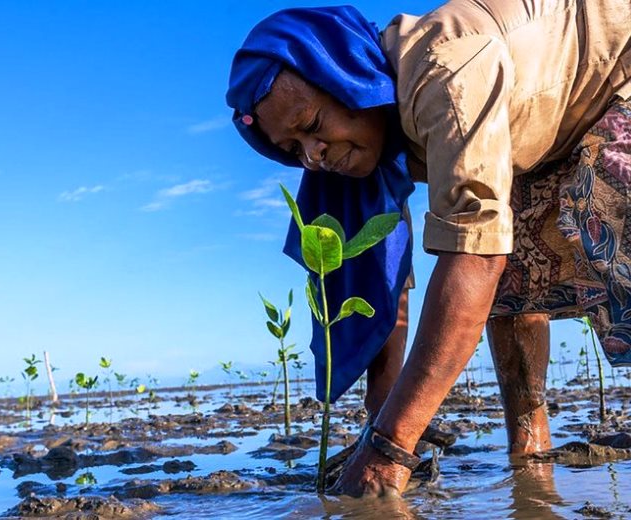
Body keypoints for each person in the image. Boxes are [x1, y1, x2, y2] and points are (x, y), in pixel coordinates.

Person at [226, 1, 631, 497]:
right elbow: (389, 273)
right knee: (513, 279)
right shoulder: (377, 141)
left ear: (347, 76)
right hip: (538, 127)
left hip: (615, 69)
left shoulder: (447, 73)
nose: (312, 156)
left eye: (311, 125)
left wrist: (391, 447)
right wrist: (382, 416)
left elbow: (474, 258)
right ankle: (530, 460)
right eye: (292, 149)